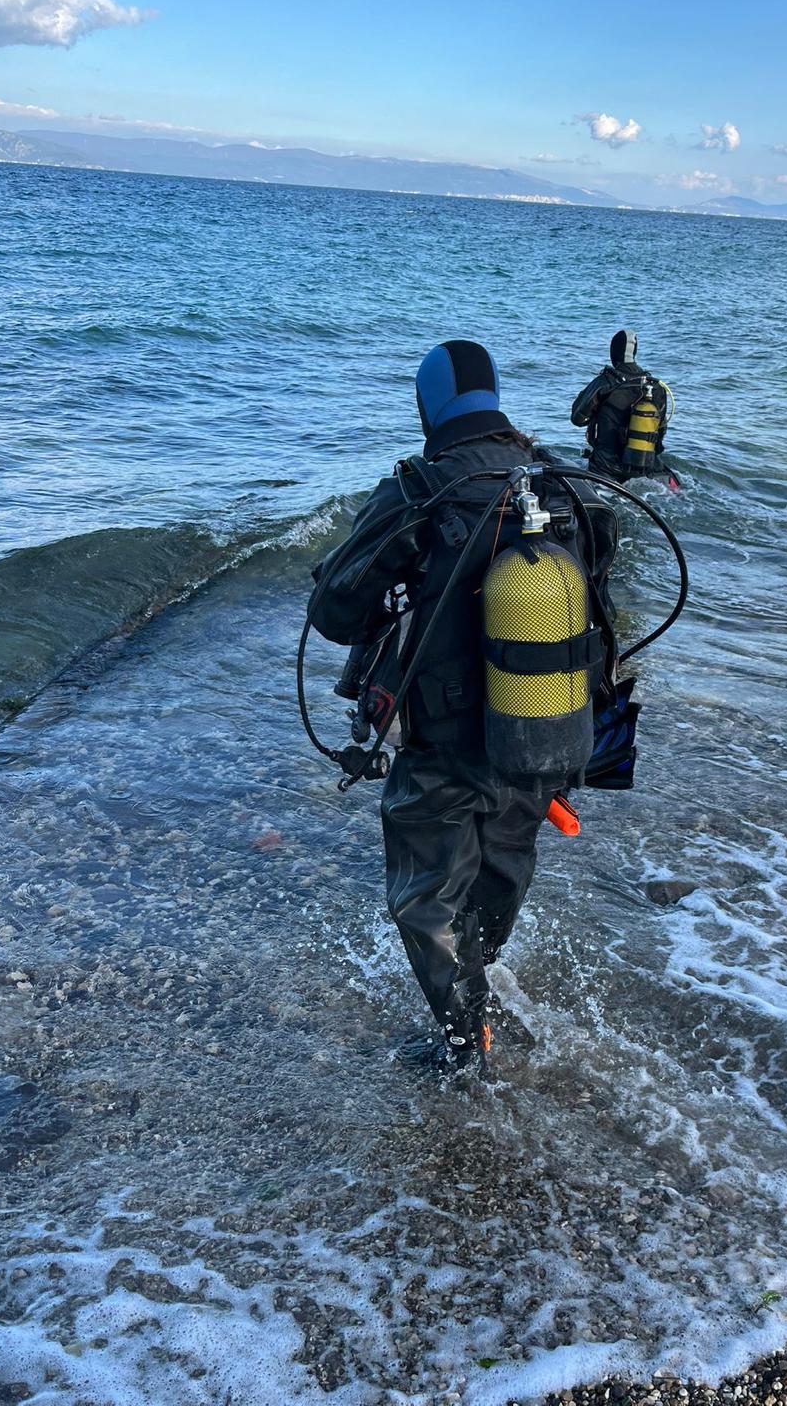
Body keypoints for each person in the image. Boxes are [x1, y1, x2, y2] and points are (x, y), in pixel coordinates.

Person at [309, 341, 619, 1075]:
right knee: (503, 864)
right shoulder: (559, 483)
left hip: (443, 738)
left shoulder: (419, 490)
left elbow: (334, 611)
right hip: (543, 721)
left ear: (430, 406)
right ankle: (477, 981)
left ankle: (462, 1046)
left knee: (426, 895)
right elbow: (602, 606)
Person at [570, 328, 678, 487]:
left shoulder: (605, 382)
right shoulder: (656, 387)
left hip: (606, 468)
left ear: (613, 352)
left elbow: (577, 419)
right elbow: (660, 431)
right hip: (645, 465)